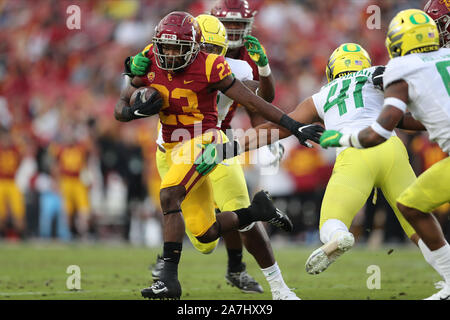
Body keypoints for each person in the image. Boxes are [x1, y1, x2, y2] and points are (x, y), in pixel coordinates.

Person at [200, 41, 445, 287]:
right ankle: (447, 278)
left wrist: (228, 148)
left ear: (332, 71)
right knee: (416, 219)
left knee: (331, 223)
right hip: (392, 149)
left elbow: (276, 129)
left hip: (355, 152)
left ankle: (339, 236)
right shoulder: (378, 73)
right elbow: (404, 118)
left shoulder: (322, 96)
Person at [114, 11, 323, 300]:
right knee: (204, 237)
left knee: (171, 195)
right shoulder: (155, 54)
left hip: (210, 141)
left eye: (214, 48)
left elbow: (258, 100)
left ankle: (270, 286)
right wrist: (132, 87)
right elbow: (123, 104)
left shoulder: (223, 67)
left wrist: (291, 123)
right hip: (171, 145)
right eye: (169, 47)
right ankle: (258, 212)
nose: (173, 54)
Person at [318, 9, 450, 300]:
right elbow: (414, 119)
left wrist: (342, 136)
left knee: (409, 208)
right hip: (401, 151)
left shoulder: (401, 68)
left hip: (363, 149)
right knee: (411, 206)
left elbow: (383, 128)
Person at [0, 127, 26, 239]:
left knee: (18, 211)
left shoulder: (15, 149)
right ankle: (2, 235)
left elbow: (23, 149)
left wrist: (16, 137)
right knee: (1, 213)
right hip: (1, 182)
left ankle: (20, 235)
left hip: (12, 181)